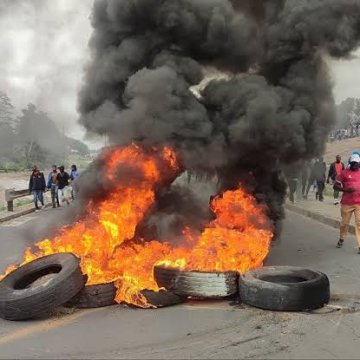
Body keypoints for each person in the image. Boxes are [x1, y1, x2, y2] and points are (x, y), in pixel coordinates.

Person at [334, 153, 360, 253]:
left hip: (358, 203)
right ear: (350, 163)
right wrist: (345, 189)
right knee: (344, 224)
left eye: (357, 164)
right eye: (353, 163)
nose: (355, 165)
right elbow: (335, 186)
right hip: (347, 203)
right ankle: (341, 238)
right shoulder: (344, 173)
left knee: (359, 224)